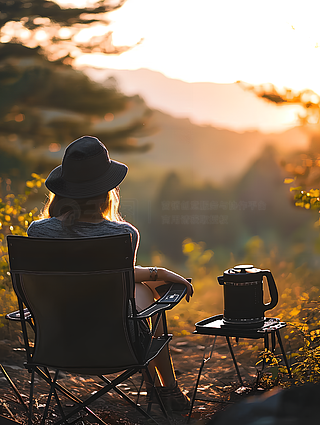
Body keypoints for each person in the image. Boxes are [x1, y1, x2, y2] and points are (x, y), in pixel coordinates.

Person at [27, 135, 194, 412]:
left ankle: (165, 392)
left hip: (57, 341)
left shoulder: (39, 231)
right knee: (142, 293)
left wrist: (157, 272)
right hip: (114, 344)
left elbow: (102, 274)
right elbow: (121, 279)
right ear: (108, 190)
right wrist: (161, 274)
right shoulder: (123, 234)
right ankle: (167, 391)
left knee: (138, 288)